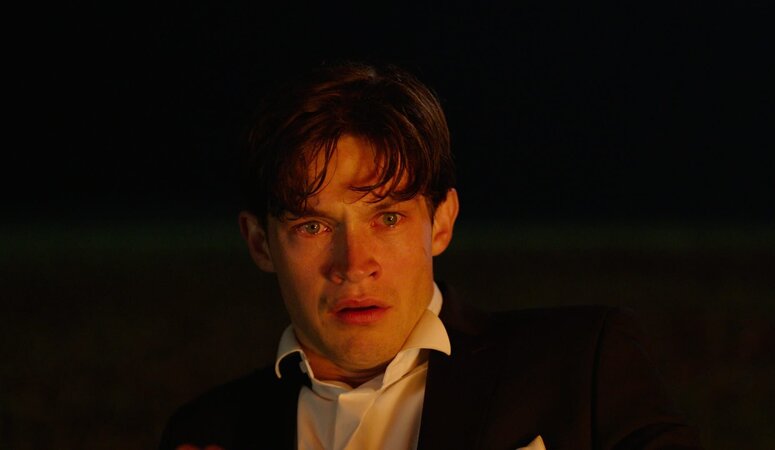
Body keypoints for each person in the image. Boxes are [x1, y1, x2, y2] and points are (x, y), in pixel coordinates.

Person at [158, 61, 701, 450]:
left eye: (388, 218)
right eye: (313, 225)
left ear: (441, 222)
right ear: (260, 243)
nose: (354, 263)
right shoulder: (206, 432)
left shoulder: (581, 363)